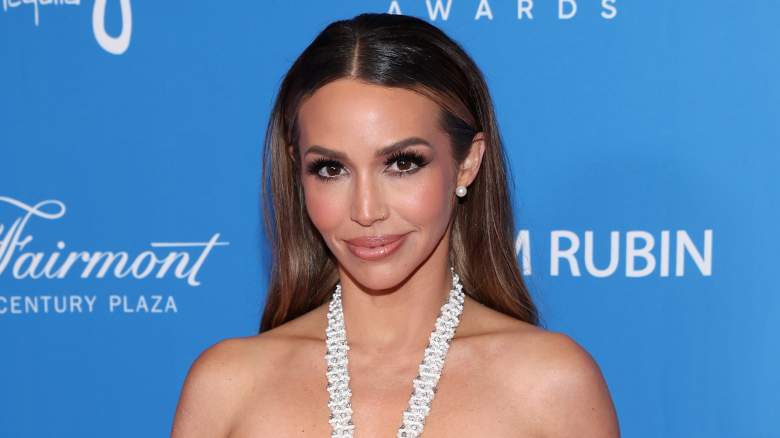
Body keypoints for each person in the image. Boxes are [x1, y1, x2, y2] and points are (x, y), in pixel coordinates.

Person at [171, 12, 620, 437]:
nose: (366, 210)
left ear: (467, 163)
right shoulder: (228, 387)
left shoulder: (551, 385)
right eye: (331, 169)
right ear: (298, 173)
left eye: (402, 163)